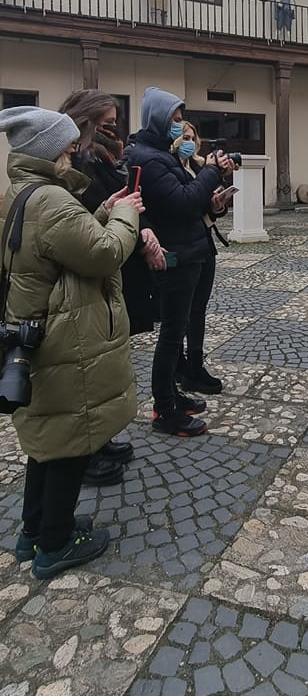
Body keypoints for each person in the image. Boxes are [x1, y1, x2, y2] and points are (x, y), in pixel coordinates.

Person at [0, 105, 142, 579]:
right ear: (47, 150)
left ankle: (32, 531)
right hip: (66, 338)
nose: (72, 151)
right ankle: (56, 544)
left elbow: (61, 243)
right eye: (65, 146)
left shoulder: (21, 192)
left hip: (33, 331)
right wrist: (124, 217)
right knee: (71, 441)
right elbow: (102, 254)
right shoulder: (52, 201)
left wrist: (101, 210)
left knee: (46, 438)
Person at [59, 90, 166, 486]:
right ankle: (86, 451)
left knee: (106, 359)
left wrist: (141, 226)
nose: (114, 128)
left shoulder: (105, 156)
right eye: (106, 121)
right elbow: (93, 217)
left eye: (115, 120)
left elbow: (118, 204)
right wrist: (137, 233)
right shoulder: (81, 163)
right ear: (86, 123)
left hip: (114, 261)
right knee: (89, 367)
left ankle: (99, 438)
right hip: (95, 267)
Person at [126, 88, 225, 436]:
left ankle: (172, 392)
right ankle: (164, 409)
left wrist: (212, 199)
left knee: (178, 328)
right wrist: (211, 172)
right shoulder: (150, 158)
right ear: (159, 119)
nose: (181, 126)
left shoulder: (161, 155)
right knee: (171, 334)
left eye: (182, 119)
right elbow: (183, 202)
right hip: (177, 257)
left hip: (190, 250)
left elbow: (191, 202)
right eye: (176, 119)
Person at [172, 121, 237, 394]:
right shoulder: (170, 168)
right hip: (182, 249)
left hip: (204, 243)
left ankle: (194, 364)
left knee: (198, 310)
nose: (188, 141)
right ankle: (178, 365)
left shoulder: (198, 166)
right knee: (177, 314)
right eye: (183, 137)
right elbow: (184, 206)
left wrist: (217, 205)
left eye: (192, 137)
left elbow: (205, 207)